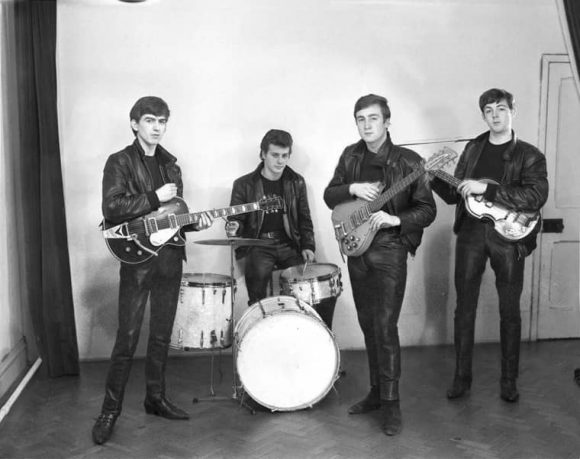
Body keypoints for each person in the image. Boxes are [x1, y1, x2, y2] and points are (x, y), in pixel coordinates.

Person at [92, 96, 213, 445]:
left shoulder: (172, 165)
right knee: (127, 338)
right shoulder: (119, 162)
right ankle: (109, 411)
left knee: (160, 336)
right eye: (149, 120)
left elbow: (169, 220)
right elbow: (112, 208)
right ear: (134, 124)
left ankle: (155, 398)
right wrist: (154, 196)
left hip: (170, 258)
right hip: (138, 261)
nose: (157, 127)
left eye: (162, 121)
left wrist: (195, 224)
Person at [323, 94, 436, 436]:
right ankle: (375, 392)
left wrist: (395, 220)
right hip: (357, 249)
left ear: (387, 121)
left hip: (389, 249)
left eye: (373, 118)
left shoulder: (410, 161)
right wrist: (352, 187)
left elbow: (427, 210)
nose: (367, 125)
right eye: (361, 119)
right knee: (368, 324)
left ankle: (391, 404)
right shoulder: (351, 155)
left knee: (385, 325)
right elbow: (331, 196)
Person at [431, 88, 548, 403]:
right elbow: (458, 193)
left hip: (509, 237)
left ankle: (508, 381)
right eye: (488, 111)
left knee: (509, 310)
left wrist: (488, 189)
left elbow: (536, 197)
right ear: (482, 115)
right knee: (463, 309)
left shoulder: (530, 154)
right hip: (471, 233)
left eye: (500, 109)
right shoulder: (472, 150)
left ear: (512, 110)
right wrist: (434, 178)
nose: (495, 115)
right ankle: (461, 379)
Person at [225, 129, 316, 307]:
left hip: (289, 244)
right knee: (259, 297)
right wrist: (234, 226)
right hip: (258, 245)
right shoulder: (244, 184)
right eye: (275, 155)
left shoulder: (296, 182)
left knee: (305, 290)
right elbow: (236, 219)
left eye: (284, 155)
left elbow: (305, 218)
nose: (280, 161)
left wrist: (308, 246)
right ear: (263, 154)